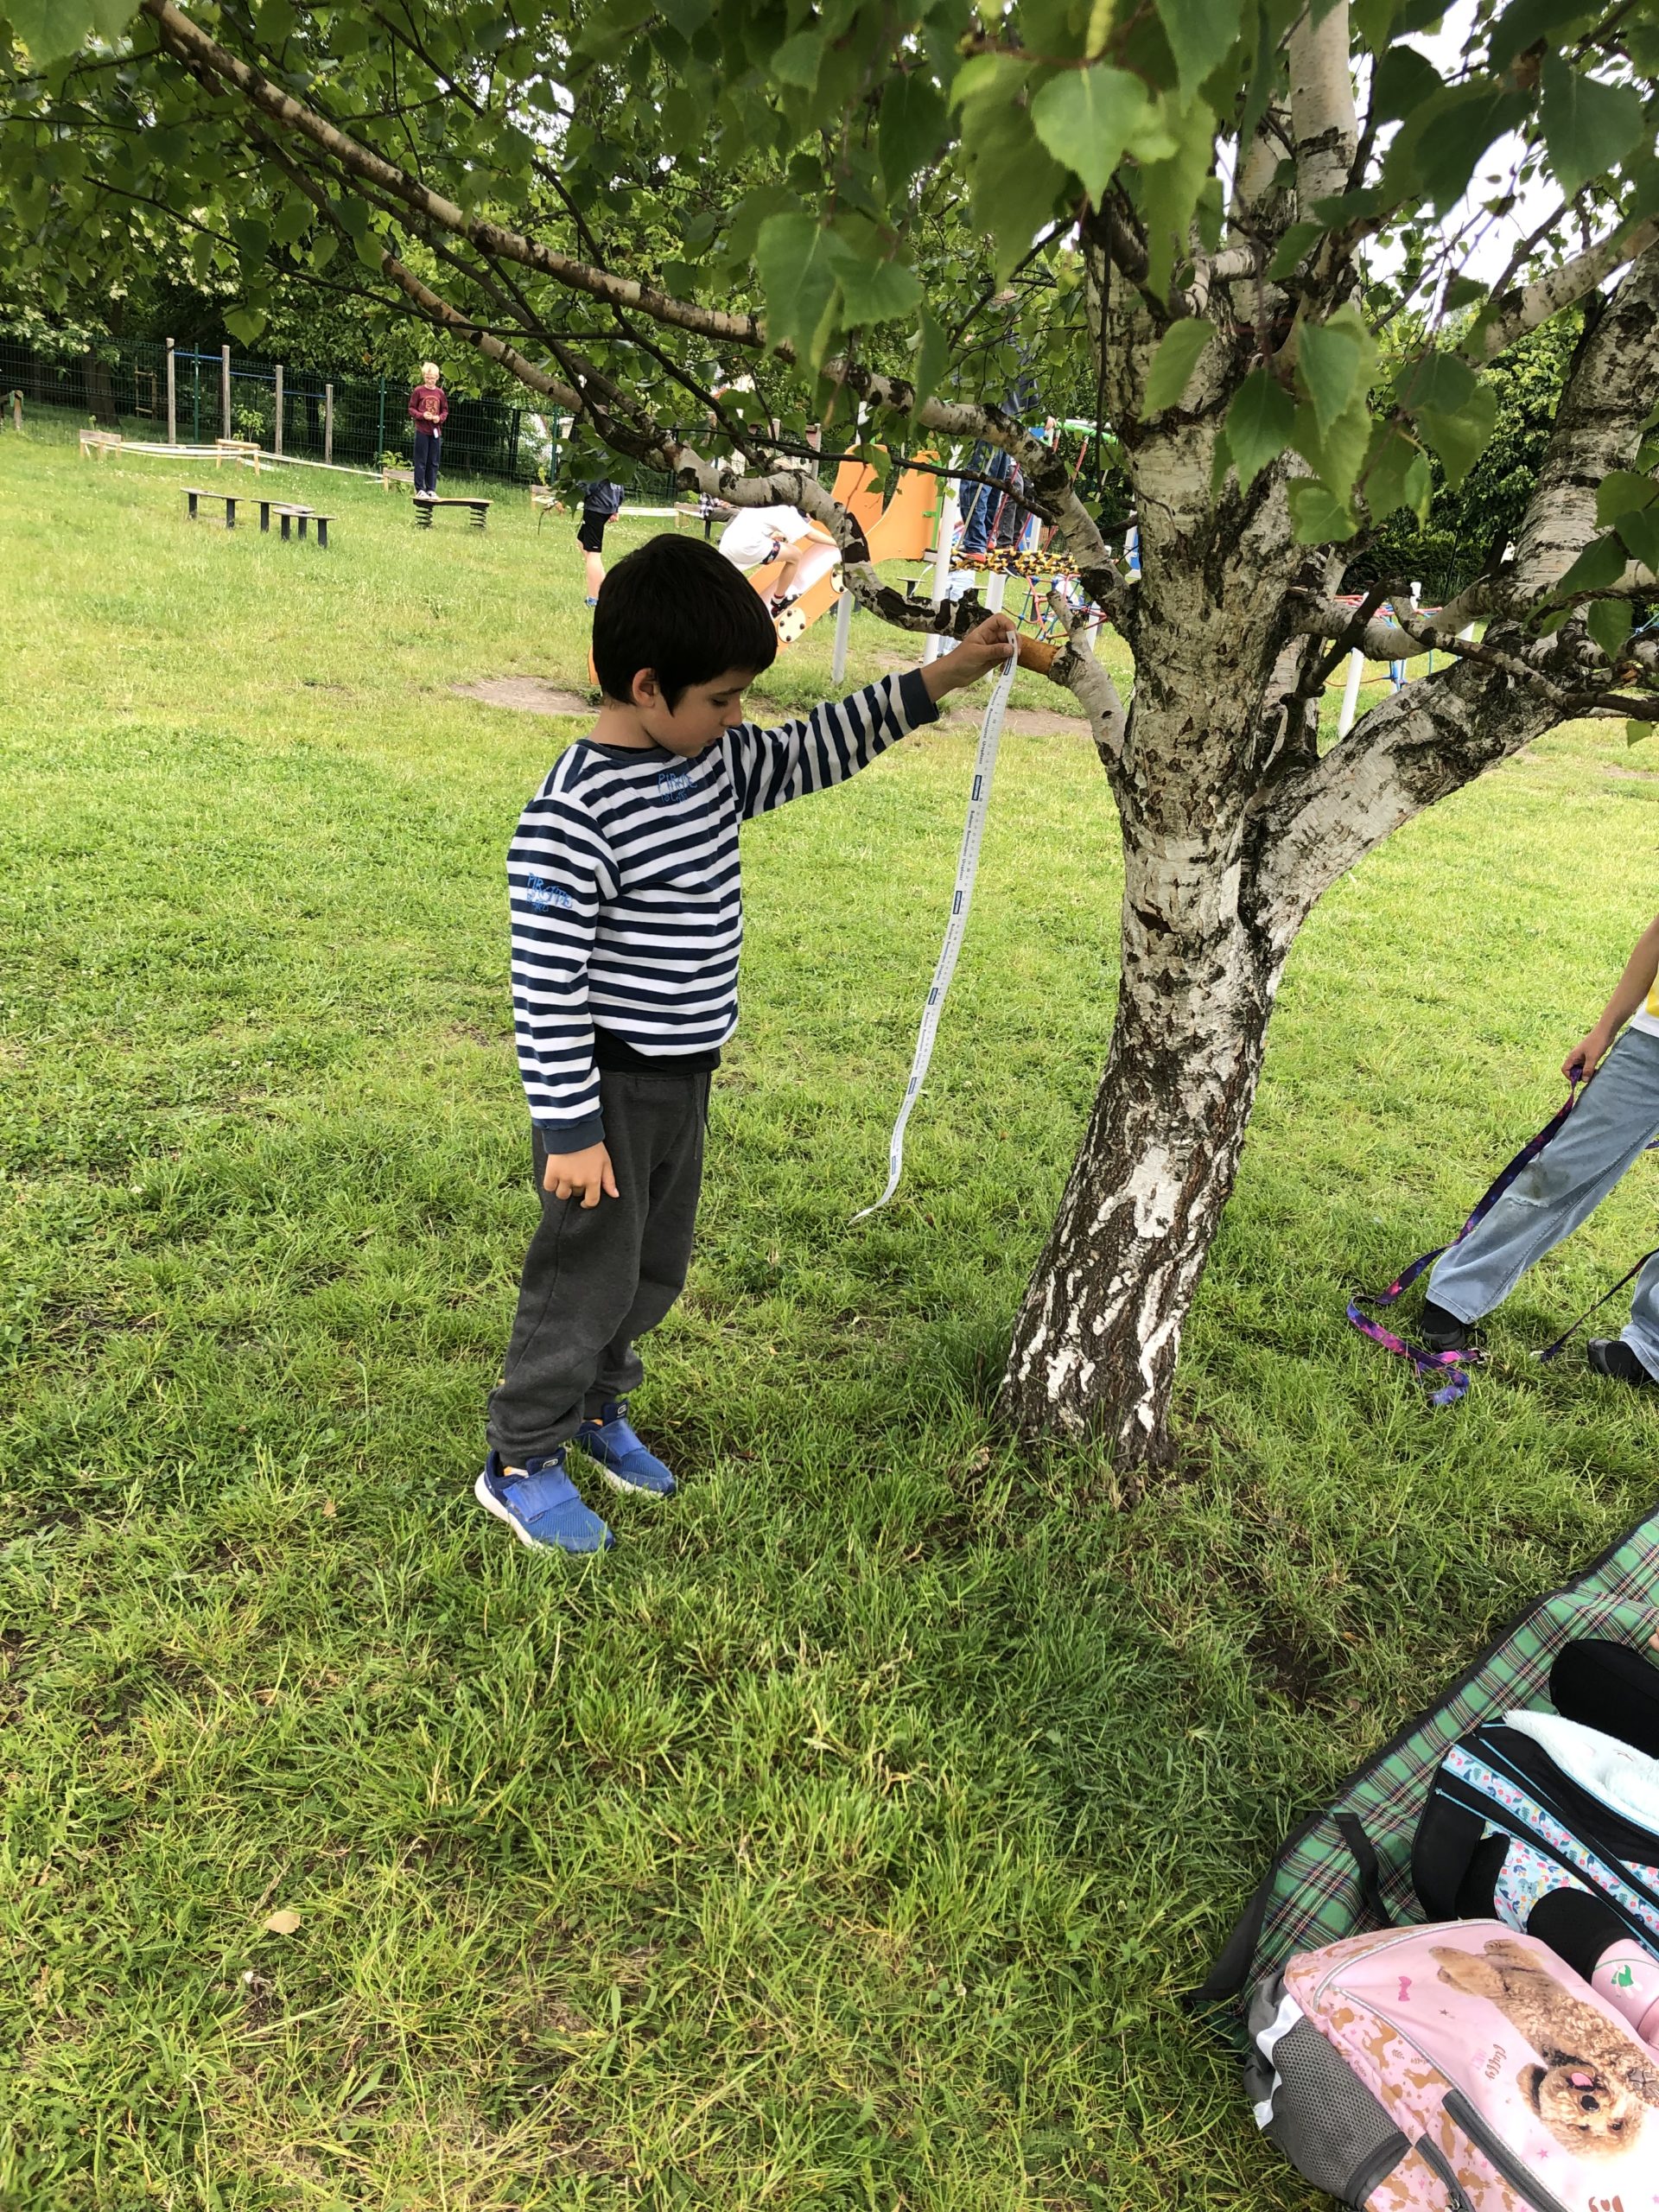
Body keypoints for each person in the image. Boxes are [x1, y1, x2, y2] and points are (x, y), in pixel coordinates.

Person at [477, 534, 1019, 1554]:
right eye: (723, 698)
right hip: (605, 1097)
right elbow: (545, 990)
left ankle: (600, 1411)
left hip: (684, 1082)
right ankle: (521, 1457)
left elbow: (823, 745)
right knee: (584, 1278)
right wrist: (570, 1129)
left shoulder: (710, 763)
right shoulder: (571, 817)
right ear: (647, 687)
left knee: (652, 1271)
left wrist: (947, 670)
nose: (741, 719)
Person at [1420, 909, 1659, 1387]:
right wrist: (1604, 1030)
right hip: (1652, 1049)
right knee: (1560, 1171)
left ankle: (1650, 1352)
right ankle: (1454, 1297)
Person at [716, 502, 836, 612]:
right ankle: (778, 601)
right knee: (795, 555)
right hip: (747, 548)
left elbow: (757, 523)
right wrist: (838, 543)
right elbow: (810, 535)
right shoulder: (786, 510)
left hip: (727, 544)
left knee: (725, 580)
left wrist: (773, 535)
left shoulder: (762, 497)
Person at [577, 478, 626, 602]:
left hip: (596, 507)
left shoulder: (599, 458)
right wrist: (616, 507)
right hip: (607, 505)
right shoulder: (617, 458)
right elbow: (621, 479)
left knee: (593, 553)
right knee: (581, 541)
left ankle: (593, 598)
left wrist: (574, 494)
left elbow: (590, 481)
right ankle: (605, 585)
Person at [408, 361, 448, 499]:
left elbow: (445, 411)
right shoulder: (419, 391)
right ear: (424, 376)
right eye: (427, 377)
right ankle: (420, 488)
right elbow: (411, 409)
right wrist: (422, 415)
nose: (430, 380)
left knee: (433, 461)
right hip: (422, 430)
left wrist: (439, 418)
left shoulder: (440, 393)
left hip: (435, 431)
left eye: (433, 378)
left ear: (437, 378)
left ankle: (431, 488)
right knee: (421, 460)